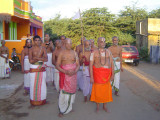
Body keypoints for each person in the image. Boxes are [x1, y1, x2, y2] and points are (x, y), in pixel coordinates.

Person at [56, 38, 79, 117]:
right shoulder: (61, 53)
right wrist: (65, 71)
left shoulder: (75, 53)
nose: (69, 45)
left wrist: (75, 71)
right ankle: (62, 110)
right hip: (64, 76)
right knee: (63, 93)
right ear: (64, 44)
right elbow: (57, 65)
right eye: (67, 43)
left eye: (70, 43)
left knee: (72, 92)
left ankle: (69, 107)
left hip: (73, 76)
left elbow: (78, 64)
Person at [90, 37, 114, 112]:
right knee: (97, 90)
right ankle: (97, 106)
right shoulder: (93, 52)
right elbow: (90, 65)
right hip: (97, 75)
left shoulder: (109, 52)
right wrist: (91, 77)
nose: (102, 43)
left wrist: (113, 75)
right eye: (101, 42)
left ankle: (104, 106)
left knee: (106, 91)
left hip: (106, 75)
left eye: (104, 42)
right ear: (98, 43)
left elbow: (112, 63)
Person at [29, 35, 48, 106]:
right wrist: (38, 59)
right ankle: (34, 101)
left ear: (40, 41)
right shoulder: (31, 49)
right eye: (36, 40)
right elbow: (30, 61)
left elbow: (46, 59)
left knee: (42, 84)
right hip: (33, 68)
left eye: (38, 40)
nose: (37, 42)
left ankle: (42, 100)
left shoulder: (43, 49)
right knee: (33, 85)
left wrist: (37, 58)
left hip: (41, 68)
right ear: (34, 41)